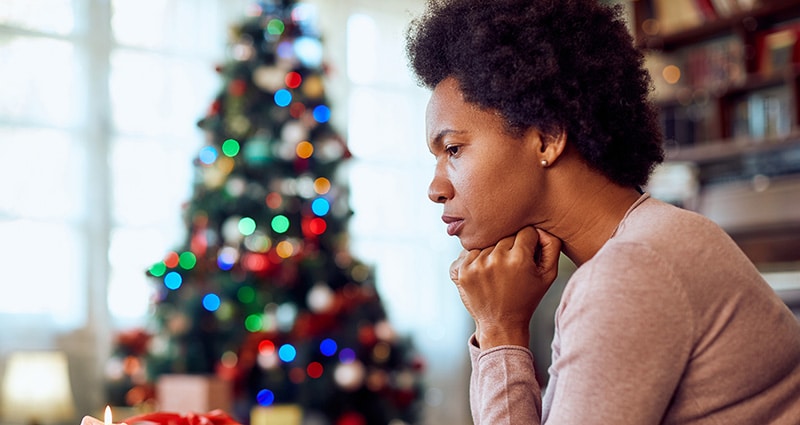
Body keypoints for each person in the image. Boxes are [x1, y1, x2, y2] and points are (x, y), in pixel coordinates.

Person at [405, 0, 800, 424]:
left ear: (547, 138)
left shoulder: (631, 273)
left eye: (453, 150)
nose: (435, 188)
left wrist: (500, 329)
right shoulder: (653, 241)